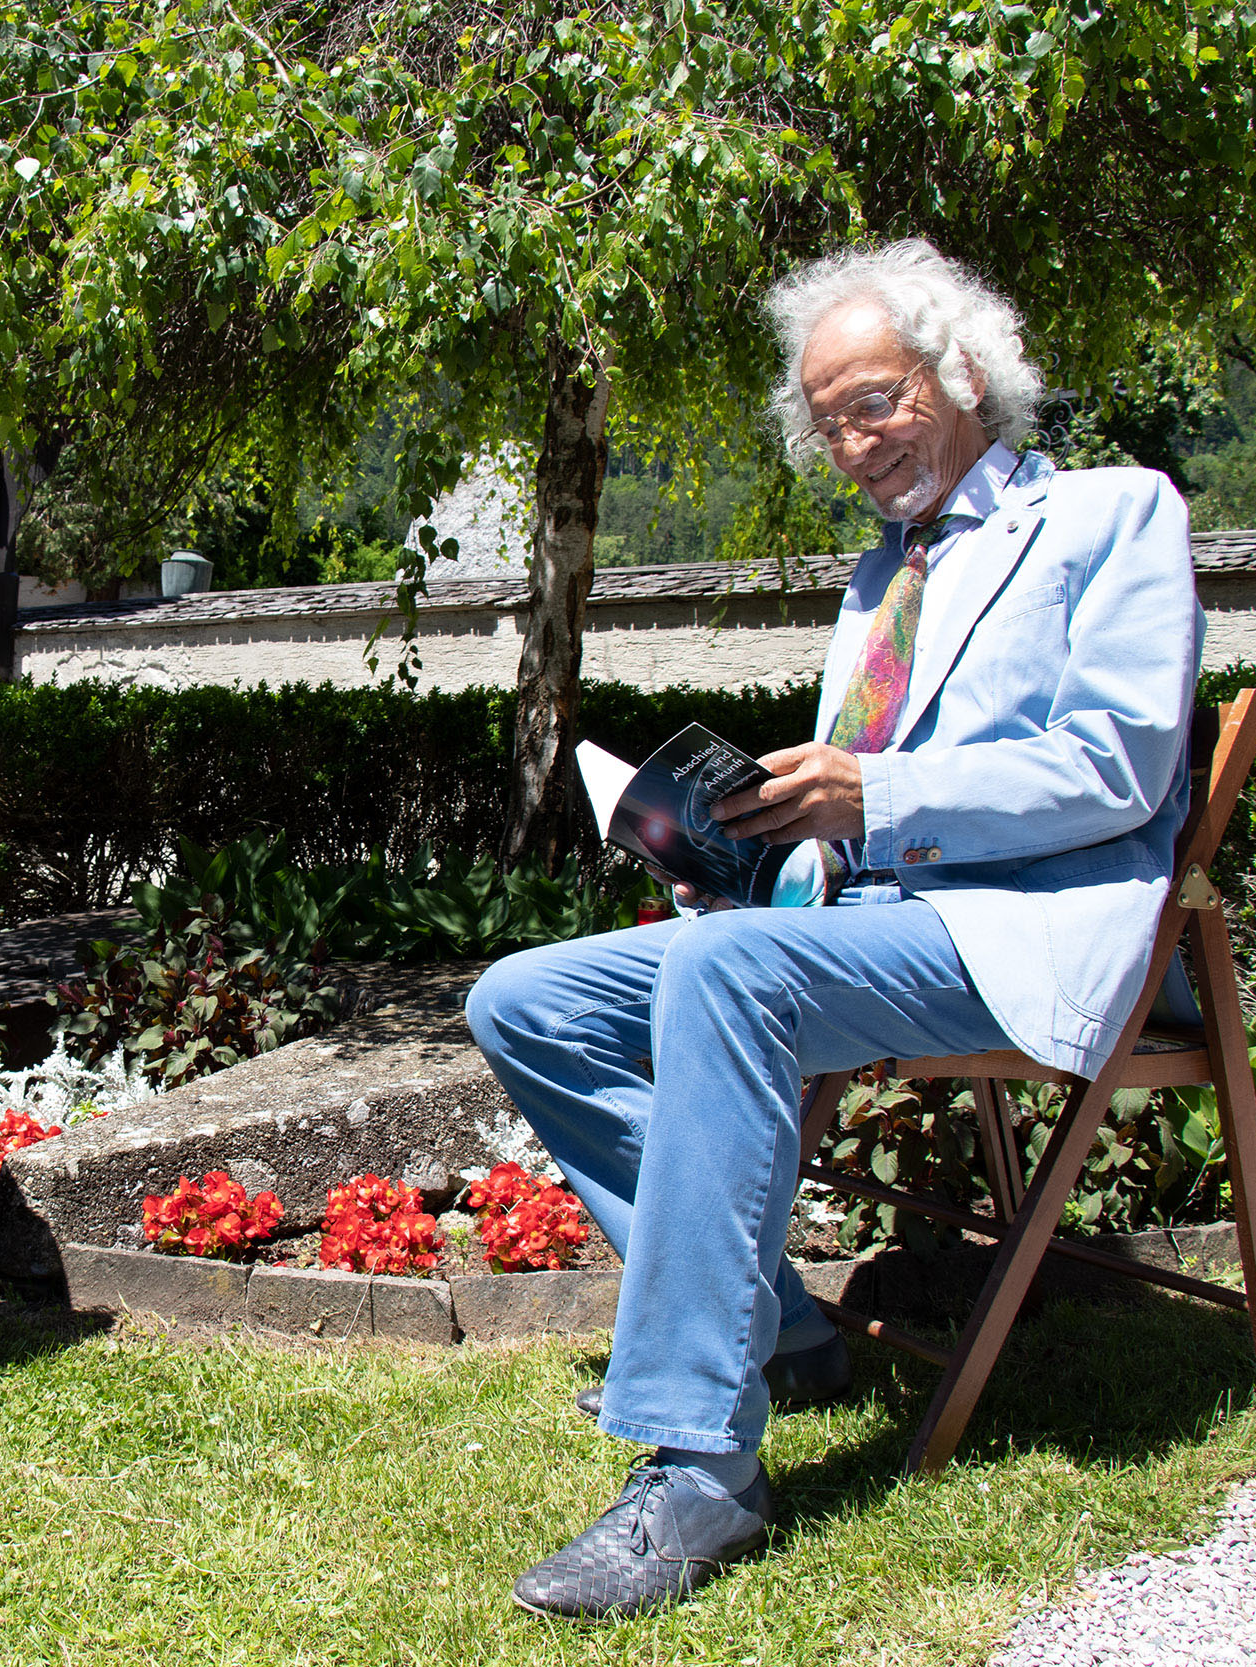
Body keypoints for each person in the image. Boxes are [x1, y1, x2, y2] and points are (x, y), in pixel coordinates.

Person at [465, 239, 1201, 1619]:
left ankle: (696, 1462)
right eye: (829, 420)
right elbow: (848, 827)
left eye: (875, 401)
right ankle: (783, 1325)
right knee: (524, 997)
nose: (854, 443)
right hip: (855, 927)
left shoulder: (1114, 516)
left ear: (963, 372)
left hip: (1011, 935)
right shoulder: (882, 577)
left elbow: (1120, 766)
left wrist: (880, 791)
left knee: (733, 979)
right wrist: (743, 858)